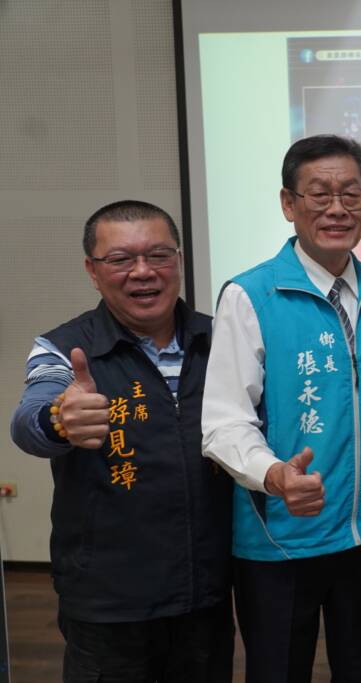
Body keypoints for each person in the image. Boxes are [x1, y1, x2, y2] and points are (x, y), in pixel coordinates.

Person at [202, 135, 361, 682]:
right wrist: (274, 476)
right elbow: (223, 422)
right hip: (281, 538)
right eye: (319, 194)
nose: (337, 209)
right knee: (279, 671)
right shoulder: (251, 295)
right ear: (289, 204)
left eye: (351, 194)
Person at [9, 200, 234, 681]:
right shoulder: (63, 348)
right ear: (92, 271)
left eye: (159, 255)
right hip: (108, 601)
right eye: (120, 259)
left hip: (206, 591)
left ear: (179, 261)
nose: (143, 272)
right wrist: (59, 420)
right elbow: (28, 420)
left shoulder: (221, 340)